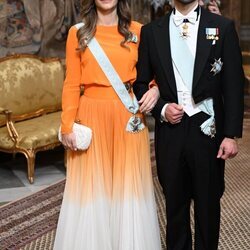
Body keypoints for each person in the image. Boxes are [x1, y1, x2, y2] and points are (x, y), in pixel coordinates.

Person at [134, 0, 245, 249]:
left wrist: (230, 134)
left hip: (208, 129)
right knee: (174, 206)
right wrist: (161, 108)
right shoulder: (152, 32)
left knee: (207, 207)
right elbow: (141, 83)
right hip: (170, 131)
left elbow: (234, 84)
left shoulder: (222, 27)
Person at [53, 0, 161, 249]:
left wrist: (155, 90)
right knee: (92, 186)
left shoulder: (139, 31)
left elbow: (155, 73)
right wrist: (67, 124)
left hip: (128, 116)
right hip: (91, 113)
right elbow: (71, 82)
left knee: (128, 183)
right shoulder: (77, 33)